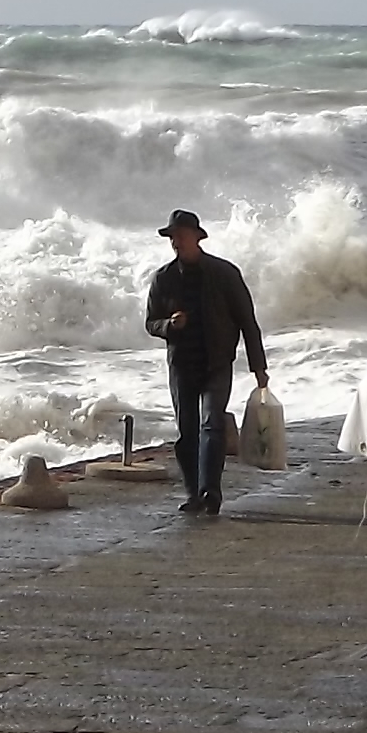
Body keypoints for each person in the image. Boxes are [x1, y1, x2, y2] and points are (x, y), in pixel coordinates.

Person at [143, 209, 267, 515]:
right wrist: (170, 325)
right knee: (187, 431)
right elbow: (150, 323)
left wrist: (258, 368)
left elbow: (247, 322)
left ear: (197, 238)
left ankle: (211, 492)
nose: (176, 243)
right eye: (172, 238)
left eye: (181, 237)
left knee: (212, 425)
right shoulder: (163, 279)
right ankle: (193, 493)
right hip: (182, 365)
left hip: (217, 362)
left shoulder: (224, 274)